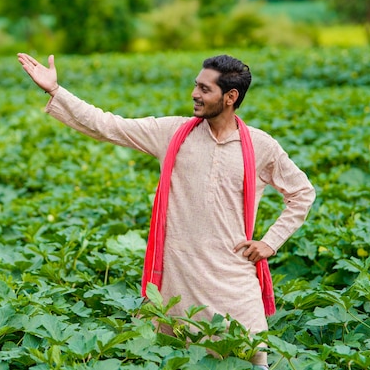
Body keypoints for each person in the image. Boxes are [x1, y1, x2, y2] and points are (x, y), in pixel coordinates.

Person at [17, 52, 316, 368]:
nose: (195, 94)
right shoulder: (172, 132)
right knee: (175, 358)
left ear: (230, 97)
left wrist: (270, 242)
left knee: (253, 356)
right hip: (177, 279)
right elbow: (107, 125)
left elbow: (301, 192)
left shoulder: (261, 146)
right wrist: (55, 91)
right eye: (195, 85)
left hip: (233, 280)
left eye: (205, 89)